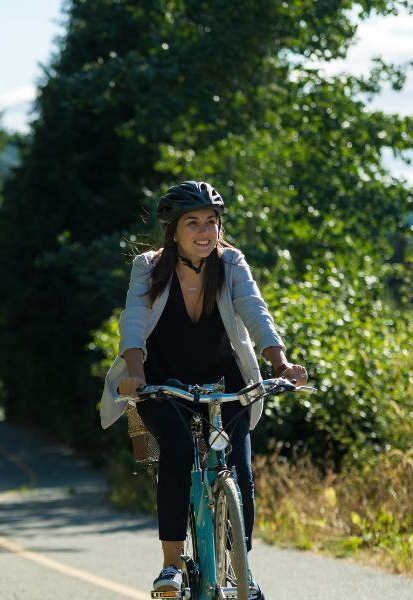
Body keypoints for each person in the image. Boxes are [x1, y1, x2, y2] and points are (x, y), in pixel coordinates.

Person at [99, 181, 307, 598]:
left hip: (225, 380)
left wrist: (280, 362)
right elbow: (135, 318)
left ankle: (240, 570)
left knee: (241, 470)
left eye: (211, 222)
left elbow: (254, 309)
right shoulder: (149, 266)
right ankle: (171, 566)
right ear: (172, 230)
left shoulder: (231, 263)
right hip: (161, 383)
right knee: (176, 452)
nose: (204, 231)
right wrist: (135, 372)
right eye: (192, 222)